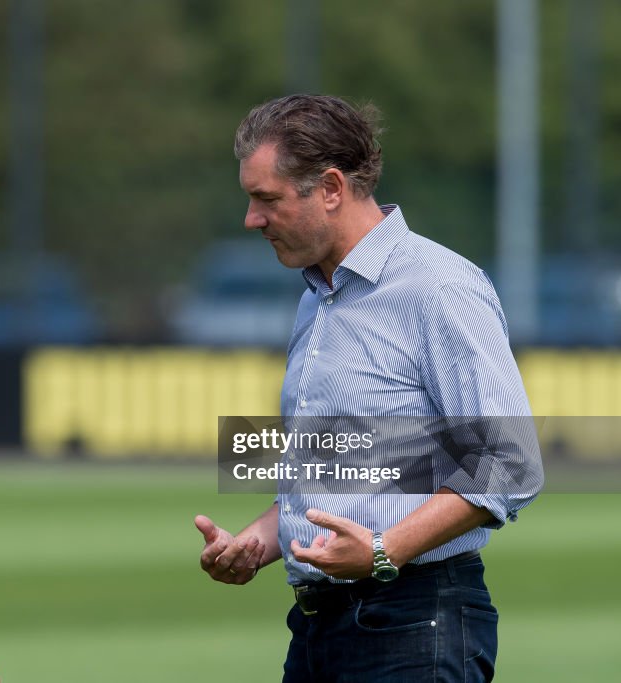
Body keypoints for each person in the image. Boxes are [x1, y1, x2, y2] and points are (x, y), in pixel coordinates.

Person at [195, 94, 543, 682]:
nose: (251, 219)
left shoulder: (438, 286)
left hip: (413, 623)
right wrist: (263, 539)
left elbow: (509, 462)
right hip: (316, 629)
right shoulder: (317, 297)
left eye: (266, 199)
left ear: (331, 187)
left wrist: (386, 551)